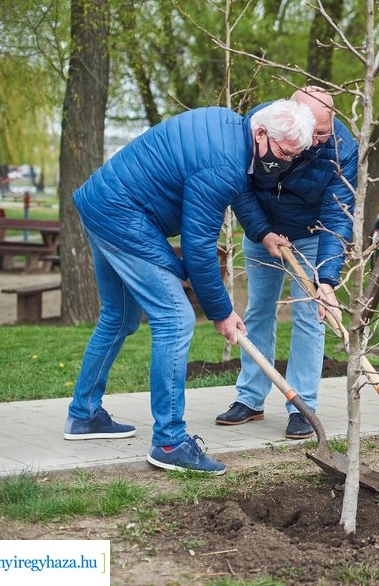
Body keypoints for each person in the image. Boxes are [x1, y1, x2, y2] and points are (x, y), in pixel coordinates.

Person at [65, 99, 317, 474]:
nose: (284, 163)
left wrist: (262, 233)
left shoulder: (232, 129)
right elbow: (199, 249)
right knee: (176, 318)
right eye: (283, 153)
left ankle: (84, 414)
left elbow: (238, 192)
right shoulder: (225, 162)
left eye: (293, 157)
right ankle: (169, 441)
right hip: (123, 215)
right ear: (261, 133)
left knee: (119, 317)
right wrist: (221, 313)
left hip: (102, 202)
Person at [216, 87, 357, 439]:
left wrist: (326, 278)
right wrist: (262, 232)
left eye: (326, 130)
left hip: (310, 235)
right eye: (316, 133)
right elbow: (240, 186)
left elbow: (337, 216)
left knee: (310, 315)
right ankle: (250, 399)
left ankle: (302, 405)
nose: (321, 139)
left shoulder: (342, 149)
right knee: (258, 311)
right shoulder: (261, 124)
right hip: (261, 230)